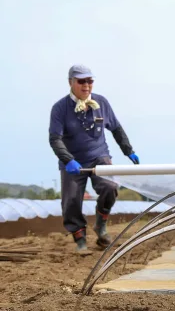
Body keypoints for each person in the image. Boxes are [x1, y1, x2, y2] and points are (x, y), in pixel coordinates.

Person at [48, 64, 140, 255]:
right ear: (71, 82)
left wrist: (128, 150)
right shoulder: (60, 108)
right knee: (71, 201)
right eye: (81, 81)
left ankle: (101, 226)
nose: (87, 85)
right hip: (73, 162)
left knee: (110, 187)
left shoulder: (102, 103)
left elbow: (116, 128)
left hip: (99, 156)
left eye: (90, 81)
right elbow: (55, 138)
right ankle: (80, 239)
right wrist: (68, 160)